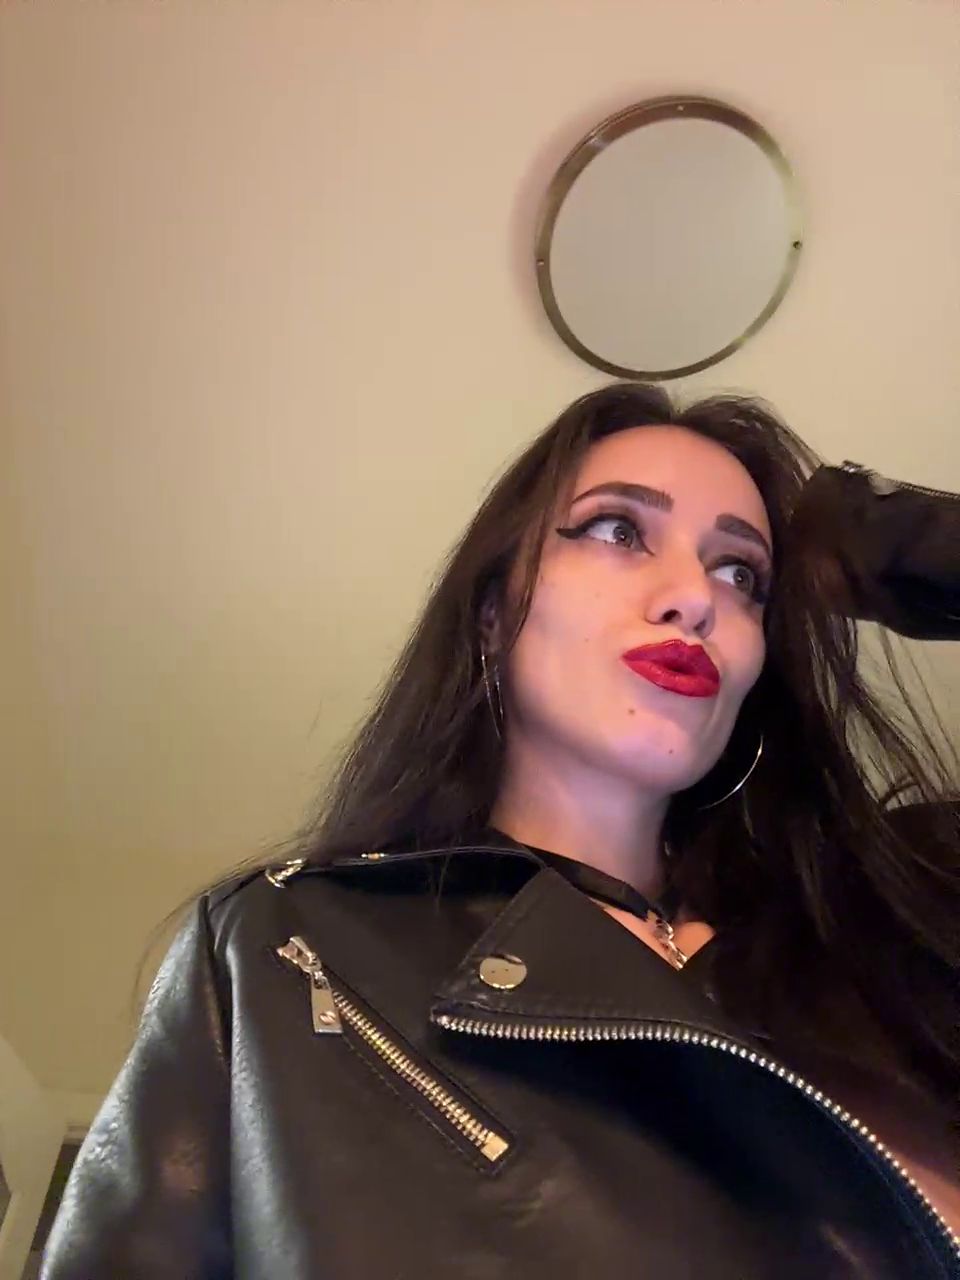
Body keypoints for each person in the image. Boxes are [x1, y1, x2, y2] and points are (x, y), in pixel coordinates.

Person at [41, 383, 959, 1278]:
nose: (694, 597)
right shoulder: (285, 949)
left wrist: (882, 534)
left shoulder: (892, 923)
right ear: (492, 612)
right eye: (617, 530)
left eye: (741, 574)